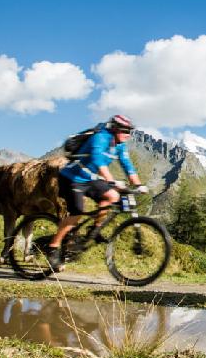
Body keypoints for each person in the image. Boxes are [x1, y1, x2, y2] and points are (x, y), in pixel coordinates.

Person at [45, 114, 148, 270]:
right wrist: (111, 181)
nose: (128, 135)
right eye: (125, 131)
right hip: (72, 178)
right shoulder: (100, 137)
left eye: (130, 132)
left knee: (113, 196)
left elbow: (127, 165)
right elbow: (98, 161)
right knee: (77, 213)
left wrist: (139, 184)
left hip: (91, 179)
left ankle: (94, 230)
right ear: (115, 129)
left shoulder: (119, 145)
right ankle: (52, 247)